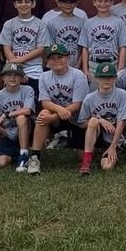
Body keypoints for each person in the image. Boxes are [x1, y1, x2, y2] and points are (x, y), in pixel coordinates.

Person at [27, 44, 90, 174]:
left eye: (60, 57)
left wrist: (55, 115)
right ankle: (35, 157)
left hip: (78, 118)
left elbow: (77, 105)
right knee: (43, 114)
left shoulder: (78, 75)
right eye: (52, 58)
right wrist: (58, 110)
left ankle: (79, 146)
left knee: (88, 158)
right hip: (58, 115)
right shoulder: (44, 76)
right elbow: (45, 102)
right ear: (47, 61)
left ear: (67, 58)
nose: (56, 60)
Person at [77, 63, 126, 176]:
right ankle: (86, 162)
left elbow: (121, 122)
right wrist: (100, 120)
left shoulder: (121, 94)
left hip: (112, 137)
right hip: (95, 135)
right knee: (93, 121)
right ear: (96, 79)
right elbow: (82, 123)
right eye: (102, 77)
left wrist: (113, 146)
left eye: (110, 77)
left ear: (115, 78)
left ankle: (105, 154)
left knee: (106, 167)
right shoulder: (89, 98)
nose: (106, 80)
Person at [0, 0, 49, 96]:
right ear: (15, 4)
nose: (23, 5)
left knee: (33, 101)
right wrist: (18, 69)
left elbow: (41, 48)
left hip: (34, 69)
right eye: (20, 2)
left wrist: (20, 60)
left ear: (33, 4)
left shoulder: (40, 24)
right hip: (13, 69)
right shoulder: (9, 24)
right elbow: (6, 48)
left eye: (27, 1)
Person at [0, 62, 36, 171]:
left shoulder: (27, 90)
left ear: (22, 78)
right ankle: (15, 154)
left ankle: (24, 154)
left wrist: (6, 114)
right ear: (3, 77)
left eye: (16, 75)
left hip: (27, 130)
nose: (12, 78)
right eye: (9, 75)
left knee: (21, 117)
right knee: (1, 163)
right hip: (8, 133)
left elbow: (28, 110)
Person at [80, 0, 126, 75]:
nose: (103, 4)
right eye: (99, 1)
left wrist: (120, 69)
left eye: (106, 1)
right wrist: (85, 70)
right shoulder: (88, 23)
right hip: (93, 65)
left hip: (112, 63)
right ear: (94, 2)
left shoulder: (118, 22)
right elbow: (85, 47)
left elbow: (123, 47)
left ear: (112, 3)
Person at [43, 0, 88, 74]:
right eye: (64, 2)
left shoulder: (82, 22)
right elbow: (51, 47)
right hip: (58, 66)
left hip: (76, 65)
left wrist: (78, 65)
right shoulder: (52, 23)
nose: (68, 5)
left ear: (76, 3)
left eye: (71, 2)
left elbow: (83, 47)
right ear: (59, 3)